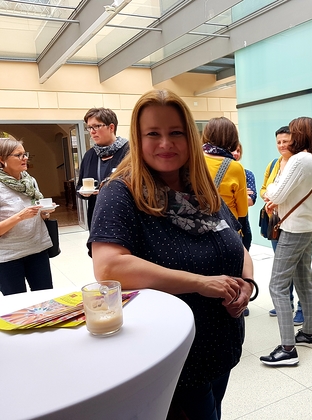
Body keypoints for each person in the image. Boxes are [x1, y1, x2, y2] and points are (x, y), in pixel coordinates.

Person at [88, 89, 255, 420]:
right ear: (138, 139)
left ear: (190, 137)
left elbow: (236, 242)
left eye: (176, 132)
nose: (166, 143)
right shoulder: (121, 192)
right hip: (172, 355)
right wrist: (200, 283)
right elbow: (109, 267)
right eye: (153, 133)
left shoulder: (201, 187)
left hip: (218, 345)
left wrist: (247, 283)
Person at [260, 117, 312, 366]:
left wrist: (271, 190)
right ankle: (309, 333)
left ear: (300, 135)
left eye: (293, 132)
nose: (289, 138)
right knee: (304, 281)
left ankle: (288, 348)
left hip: (293, 229)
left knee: (277, 285)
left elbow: (275, 192)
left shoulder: (299, 160)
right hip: (308, 227)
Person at [0, 138, 55, 295]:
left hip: (38, 249)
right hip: (8, 257)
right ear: (2, 159)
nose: (24, 158)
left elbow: (36, 212)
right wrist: (20, 217)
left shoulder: (30, 181)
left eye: (25, 154)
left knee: (45, 298)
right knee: (18, 304)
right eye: (18, 155)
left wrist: (44, 213)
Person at [260, 126, 304, 326]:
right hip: (275, 222)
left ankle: (302, 308)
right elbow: (264, 188)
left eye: (286, 141)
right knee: (282, 266)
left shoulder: (299, 164)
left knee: (298, 269)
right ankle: (286, 303)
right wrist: (267, 196)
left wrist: (276, 196)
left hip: (294, 222)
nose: (282, 145)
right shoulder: (273, 164)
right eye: (279, 142)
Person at [77, 108, 129, 229]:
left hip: (124, 215)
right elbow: (79, 186)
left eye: (96, 126)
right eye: (89, 127)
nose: (92, 131)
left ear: (111, 127)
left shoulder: (130, 152)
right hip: (97, 217)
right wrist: (84, 192)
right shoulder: (89, 155)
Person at [232, 142, 256, 251]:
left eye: (238, 151)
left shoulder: (247, 174)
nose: (235, 153)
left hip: (243, 225)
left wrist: (230, 194)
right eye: (232, 150)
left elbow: (250, 201)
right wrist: (241, 193)